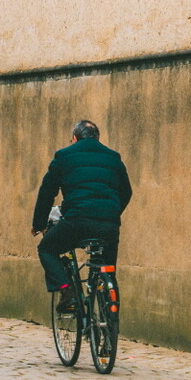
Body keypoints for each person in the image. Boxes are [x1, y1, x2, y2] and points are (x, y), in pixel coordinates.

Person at [32, 119, 132, 309]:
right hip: (109, 226)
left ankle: (67, 291)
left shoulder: (64, 155)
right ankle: (110, 325)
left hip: (76, 222)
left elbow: (47, 192)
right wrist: (110, 213)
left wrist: (38, 225)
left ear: (75, 138)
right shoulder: (113, 157)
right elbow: (126, 192)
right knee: (108, 271)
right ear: (97, 138)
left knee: (46, 249)